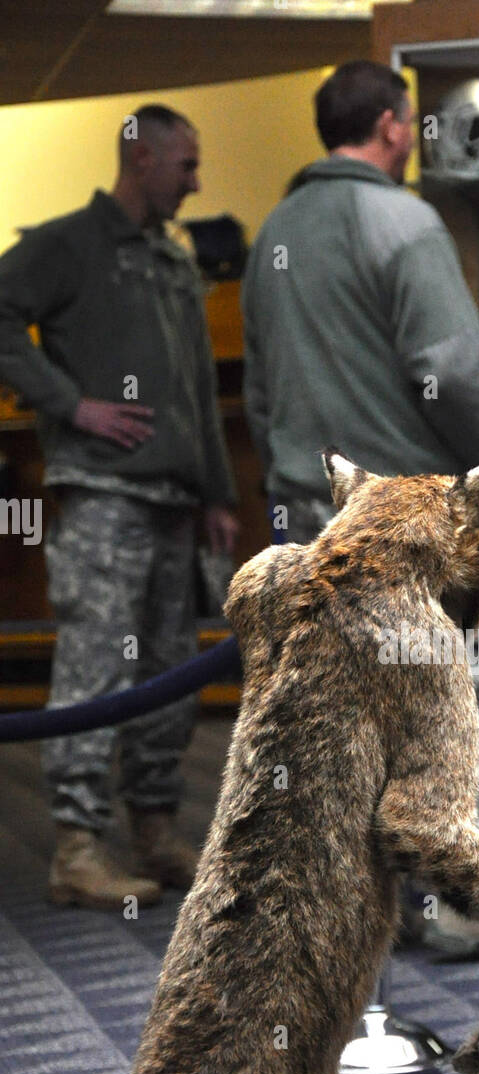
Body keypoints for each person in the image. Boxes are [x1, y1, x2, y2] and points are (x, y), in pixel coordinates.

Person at [242, 60, 479, 960]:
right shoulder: (404, 220)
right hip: (412, 523)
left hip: (312, 517)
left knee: (330, 725)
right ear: (392, 127)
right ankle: (458, 908)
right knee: (457, 707)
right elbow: (454, 372)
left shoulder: (273, 230)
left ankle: (339, 918)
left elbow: (260, 390)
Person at [0, 104, 239, 911]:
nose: (196, 181)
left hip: (176, 503)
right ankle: (74, 846)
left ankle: (153, 831)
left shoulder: (172, 262)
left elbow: (200, 392)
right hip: (103, 495)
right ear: (141, 159)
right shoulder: (67, 244)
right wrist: (71, 404)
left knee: (171, 674)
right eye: (186, 164)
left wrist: (217, 492)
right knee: (97, 670)